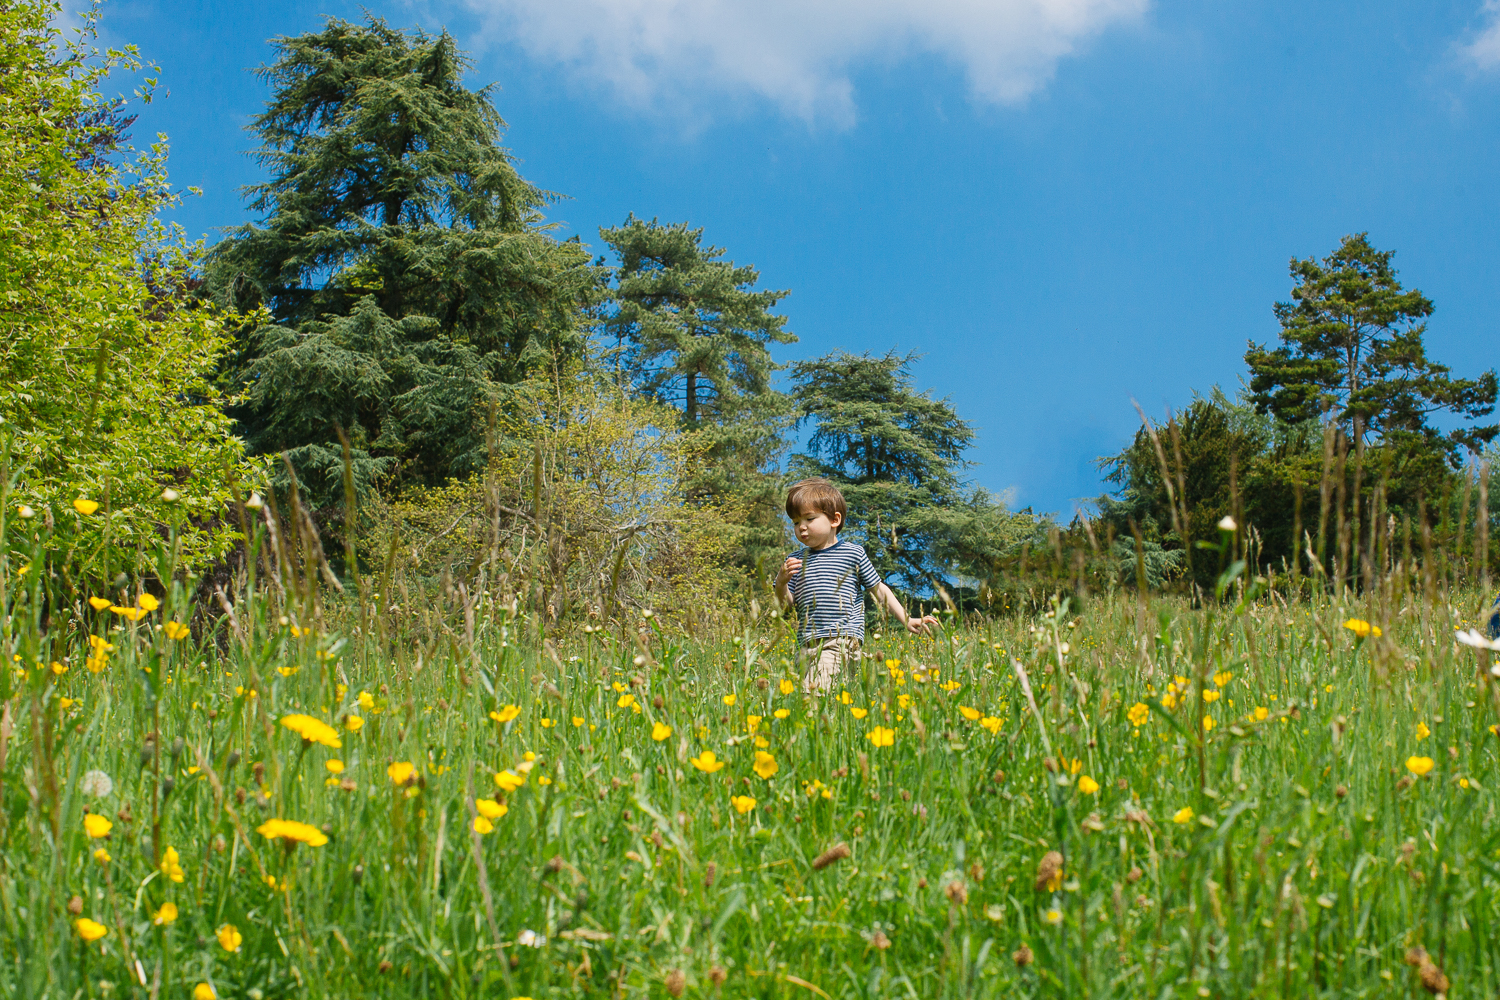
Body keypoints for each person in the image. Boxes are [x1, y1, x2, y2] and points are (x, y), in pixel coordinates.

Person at [774, 478, 939, 693]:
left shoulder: (853, 553)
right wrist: (781, 583)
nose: (801, 527)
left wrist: (906, 618)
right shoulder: (795, 560)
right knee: (812, 703)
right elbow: (787, 605)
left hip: (839, 641)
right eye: (796, 522)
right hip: (805, 645)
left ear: (835, 520)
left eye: (809, 519)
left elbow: (879, 589)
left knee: (812, 697)